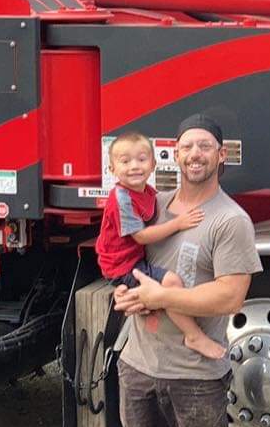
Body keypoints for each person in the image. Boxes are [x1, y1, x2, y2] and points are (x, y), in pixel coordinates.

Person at [109, 115, 261, 427]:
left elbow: (231, 294)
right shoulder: (151, 207)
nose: (195, 154)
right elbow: (126, 261)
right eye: (187, 146)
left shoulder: (229, 219)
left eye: (206, 147)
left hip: (195, 376)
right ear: (174, 154)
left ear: (222, 156)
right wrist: (127, 296)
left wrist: (160, 294)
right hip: (138, 363)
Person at [95, 131, 225, 361]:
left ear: (153, 164)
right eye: (125, 162)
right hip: (123, 266)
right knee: (172, 283)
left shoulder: (147, 191)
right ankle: (193, 335)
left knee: (150, 299)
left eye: (142, 159)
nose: (135, 166)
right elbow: (141, 236)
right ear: (112, 169)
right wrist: (179, 223)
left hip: (132, 259)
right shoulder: (121, 198)